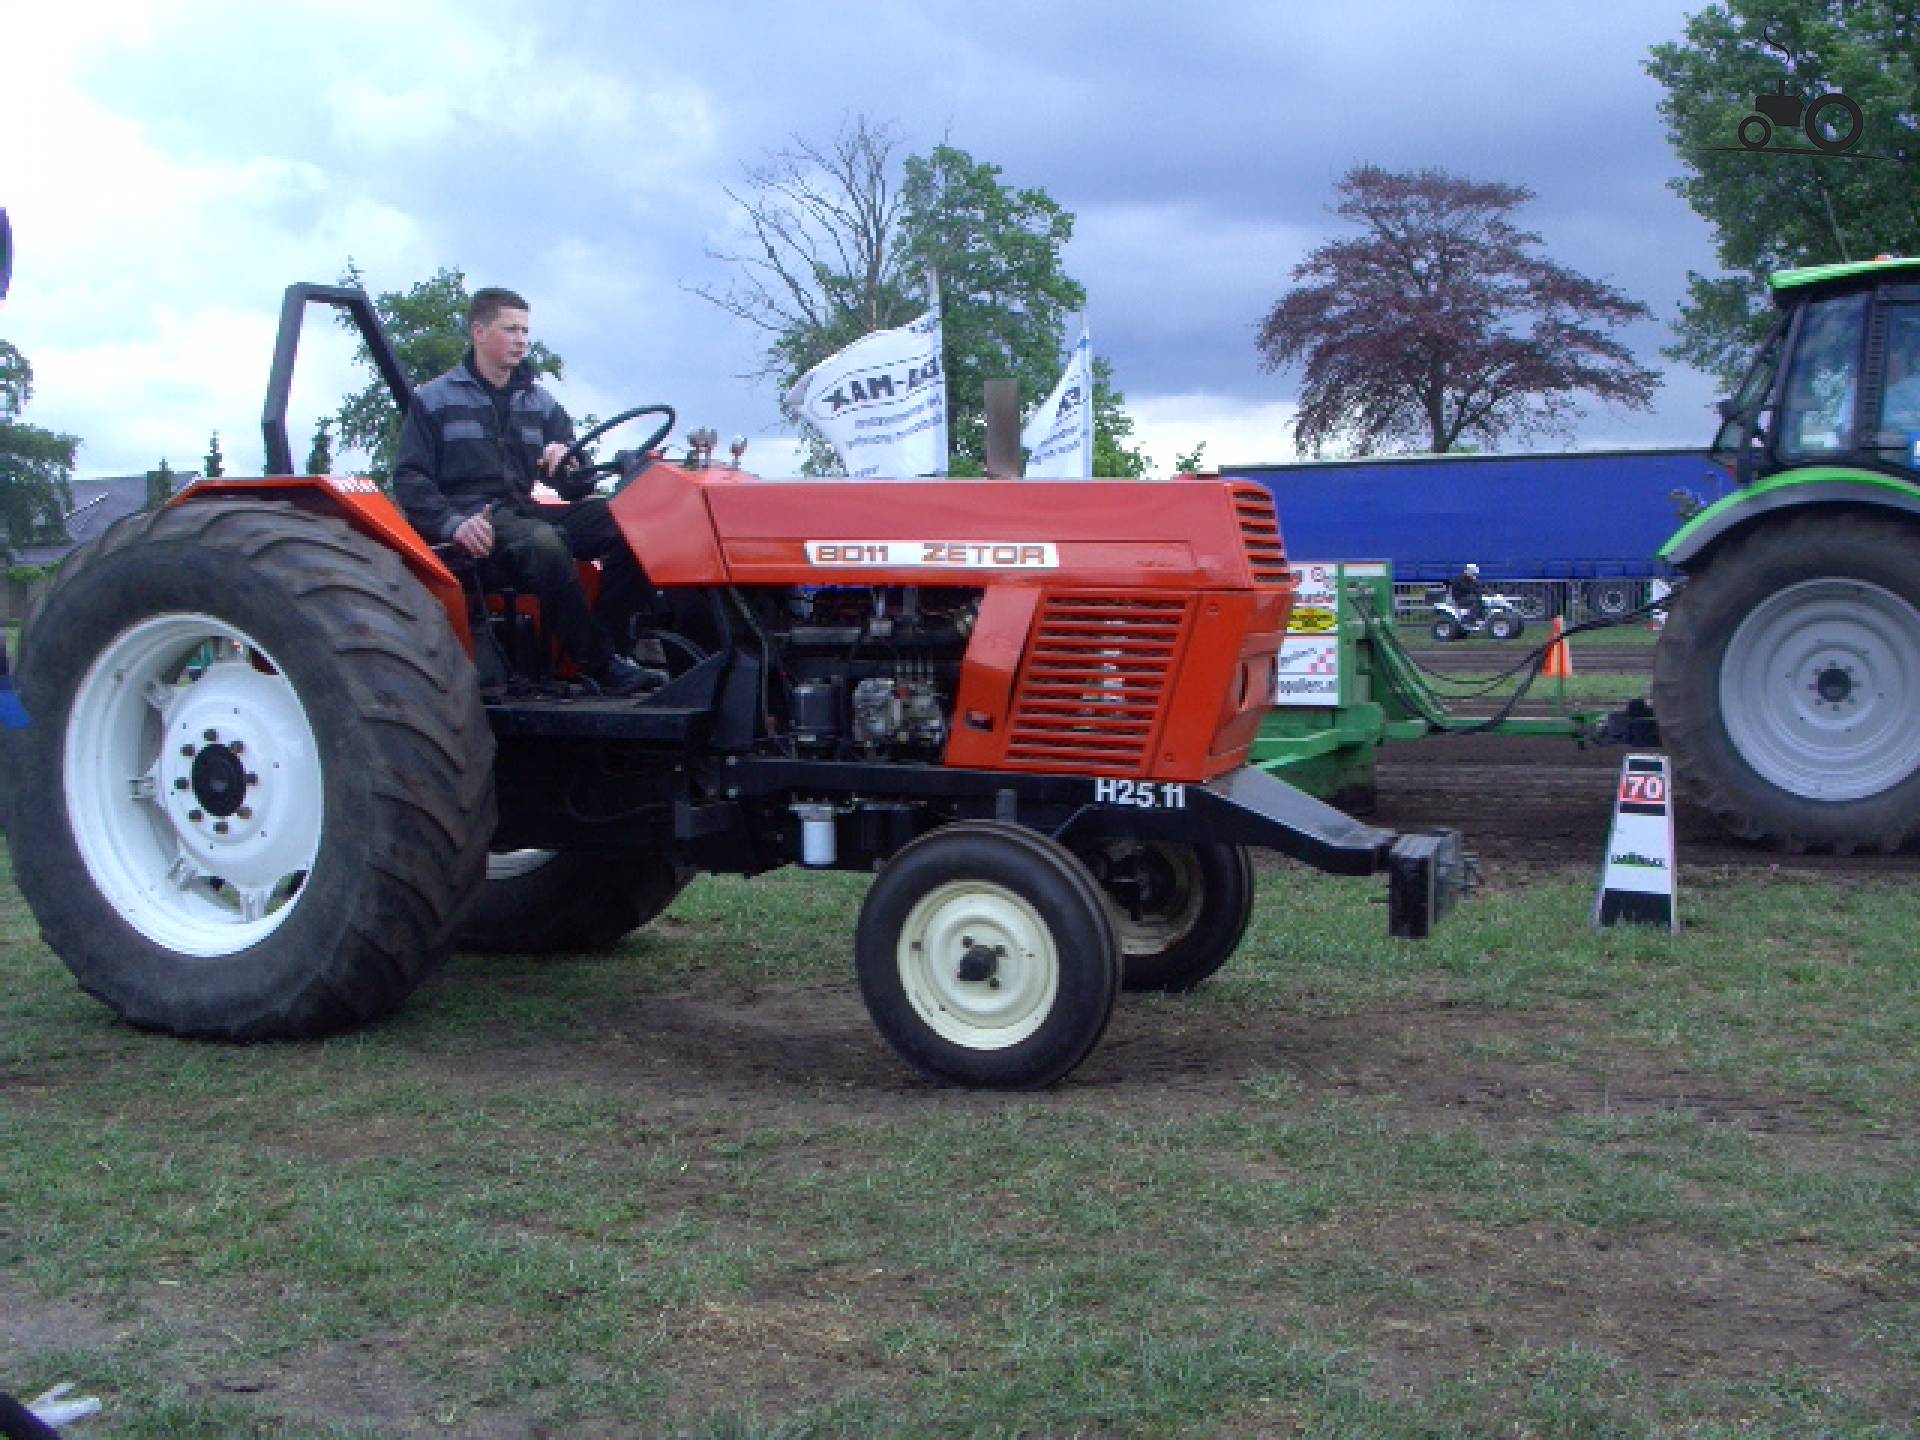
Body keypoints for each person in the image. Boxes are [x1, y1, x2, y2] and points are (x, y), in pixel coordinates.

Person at [392, 288, 661, 695]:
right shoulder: (435, 400)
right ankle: (599, 663)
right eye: (510, 329)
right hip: (474, 516)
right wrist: (452, 524)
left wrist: (568, 462)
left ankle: (610, 647)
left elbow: (576, 485)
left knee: (636, 529)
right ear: (479, 333)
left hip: (521, 509)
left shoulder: (539, 401)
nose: (521, 339)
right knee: (544, 544)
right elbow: (410, 478)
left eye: (525, 330)